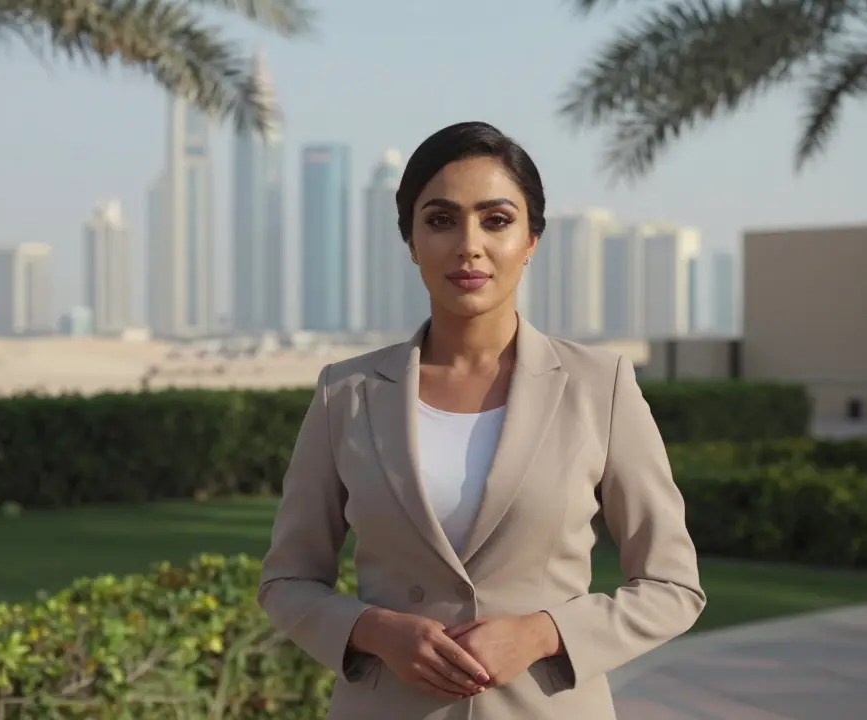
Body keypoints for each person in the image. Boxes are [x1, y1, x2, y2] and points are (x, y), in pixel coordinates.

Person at [257, 121, 706, 719]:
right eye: (441, 220)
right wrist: (374, 629)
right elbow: (287, 582)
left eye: (496, 220)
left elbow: (672, 587)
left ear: (531, 240)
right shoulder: (348, 393)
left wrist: (544, 633)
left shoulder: (602, 387)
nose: (469, 244)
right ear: (411, 242)